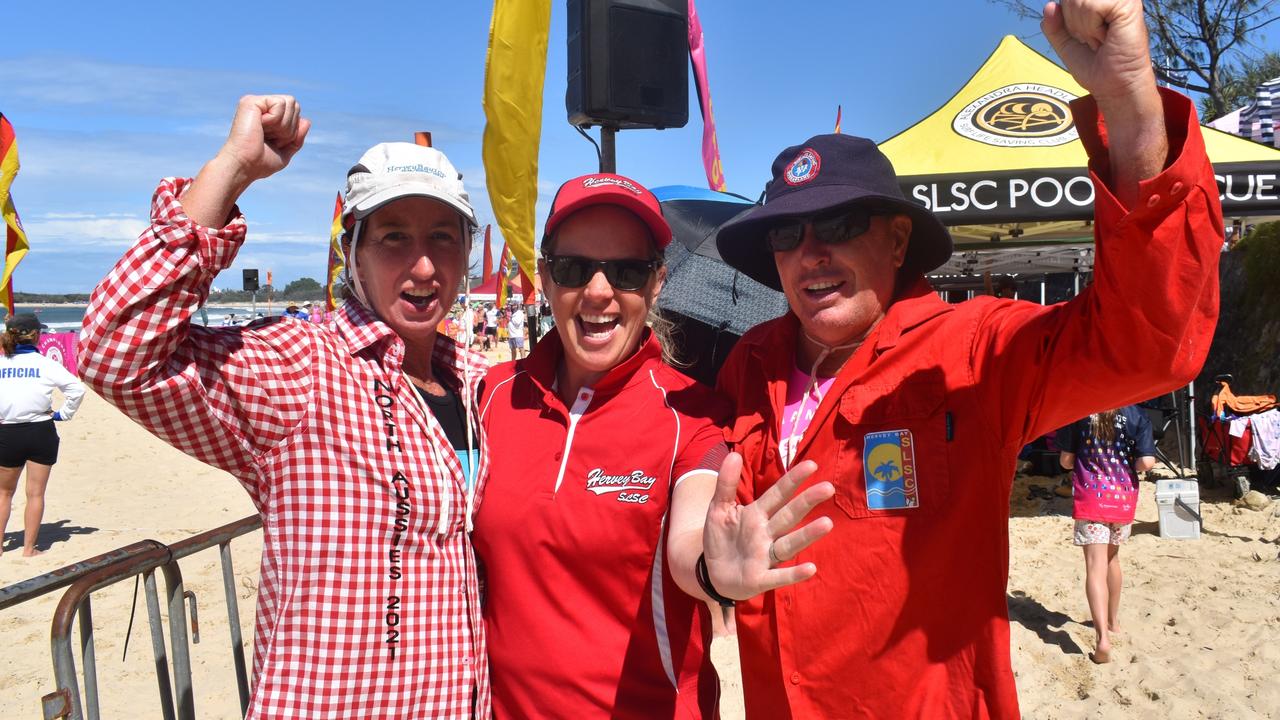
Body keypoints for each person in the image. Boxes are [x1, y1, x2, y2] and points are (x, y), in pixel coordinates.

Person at [708, 1, 1221, 717]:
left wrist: (1129, 101)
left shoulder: (974, 349)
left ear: (895, 241)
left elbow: (1150, 344)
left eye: (840, 223)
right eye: (787, 233)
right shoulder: (748, 366)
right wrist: (710, 574)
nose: (810, 251)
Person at [79, 95, 491, 718]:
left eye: (442, 237)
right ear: (351, 253)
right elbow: (115, 352)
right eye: (394, 239)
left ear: (467, 250)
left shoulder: (477, 382)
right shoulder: (301, 366)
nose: (425, 265)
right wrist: (233, 168)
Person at [474, 173, 833, 718]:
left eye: (626, 272)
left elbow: (690, 536)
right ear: (544, 278)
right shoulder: (491, 395)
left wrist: (713, 571)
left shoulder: (691, 412)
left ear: (657, 282)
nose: (598, 291)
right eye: (574, 269)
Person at [1057, 406, 1155, 664]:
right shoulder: (1137, 415)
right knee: (1112, 560)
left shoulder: (1077, 411)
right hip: (1122, 497)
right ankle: (1113, 622)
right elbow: (1146, 463)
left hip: (1092, 497)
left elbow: (1065, 461)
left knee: (1094, 566)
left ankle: (1102, 639)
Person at [0, 314, 84, 558]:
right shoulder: (46, 364)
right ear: (36, 335)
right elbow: (76, 389)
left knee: (4, 493)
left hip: (8, 432)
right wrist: (62, 415)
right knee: (35, 493)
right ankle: (29, 549)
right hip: (40, 430)